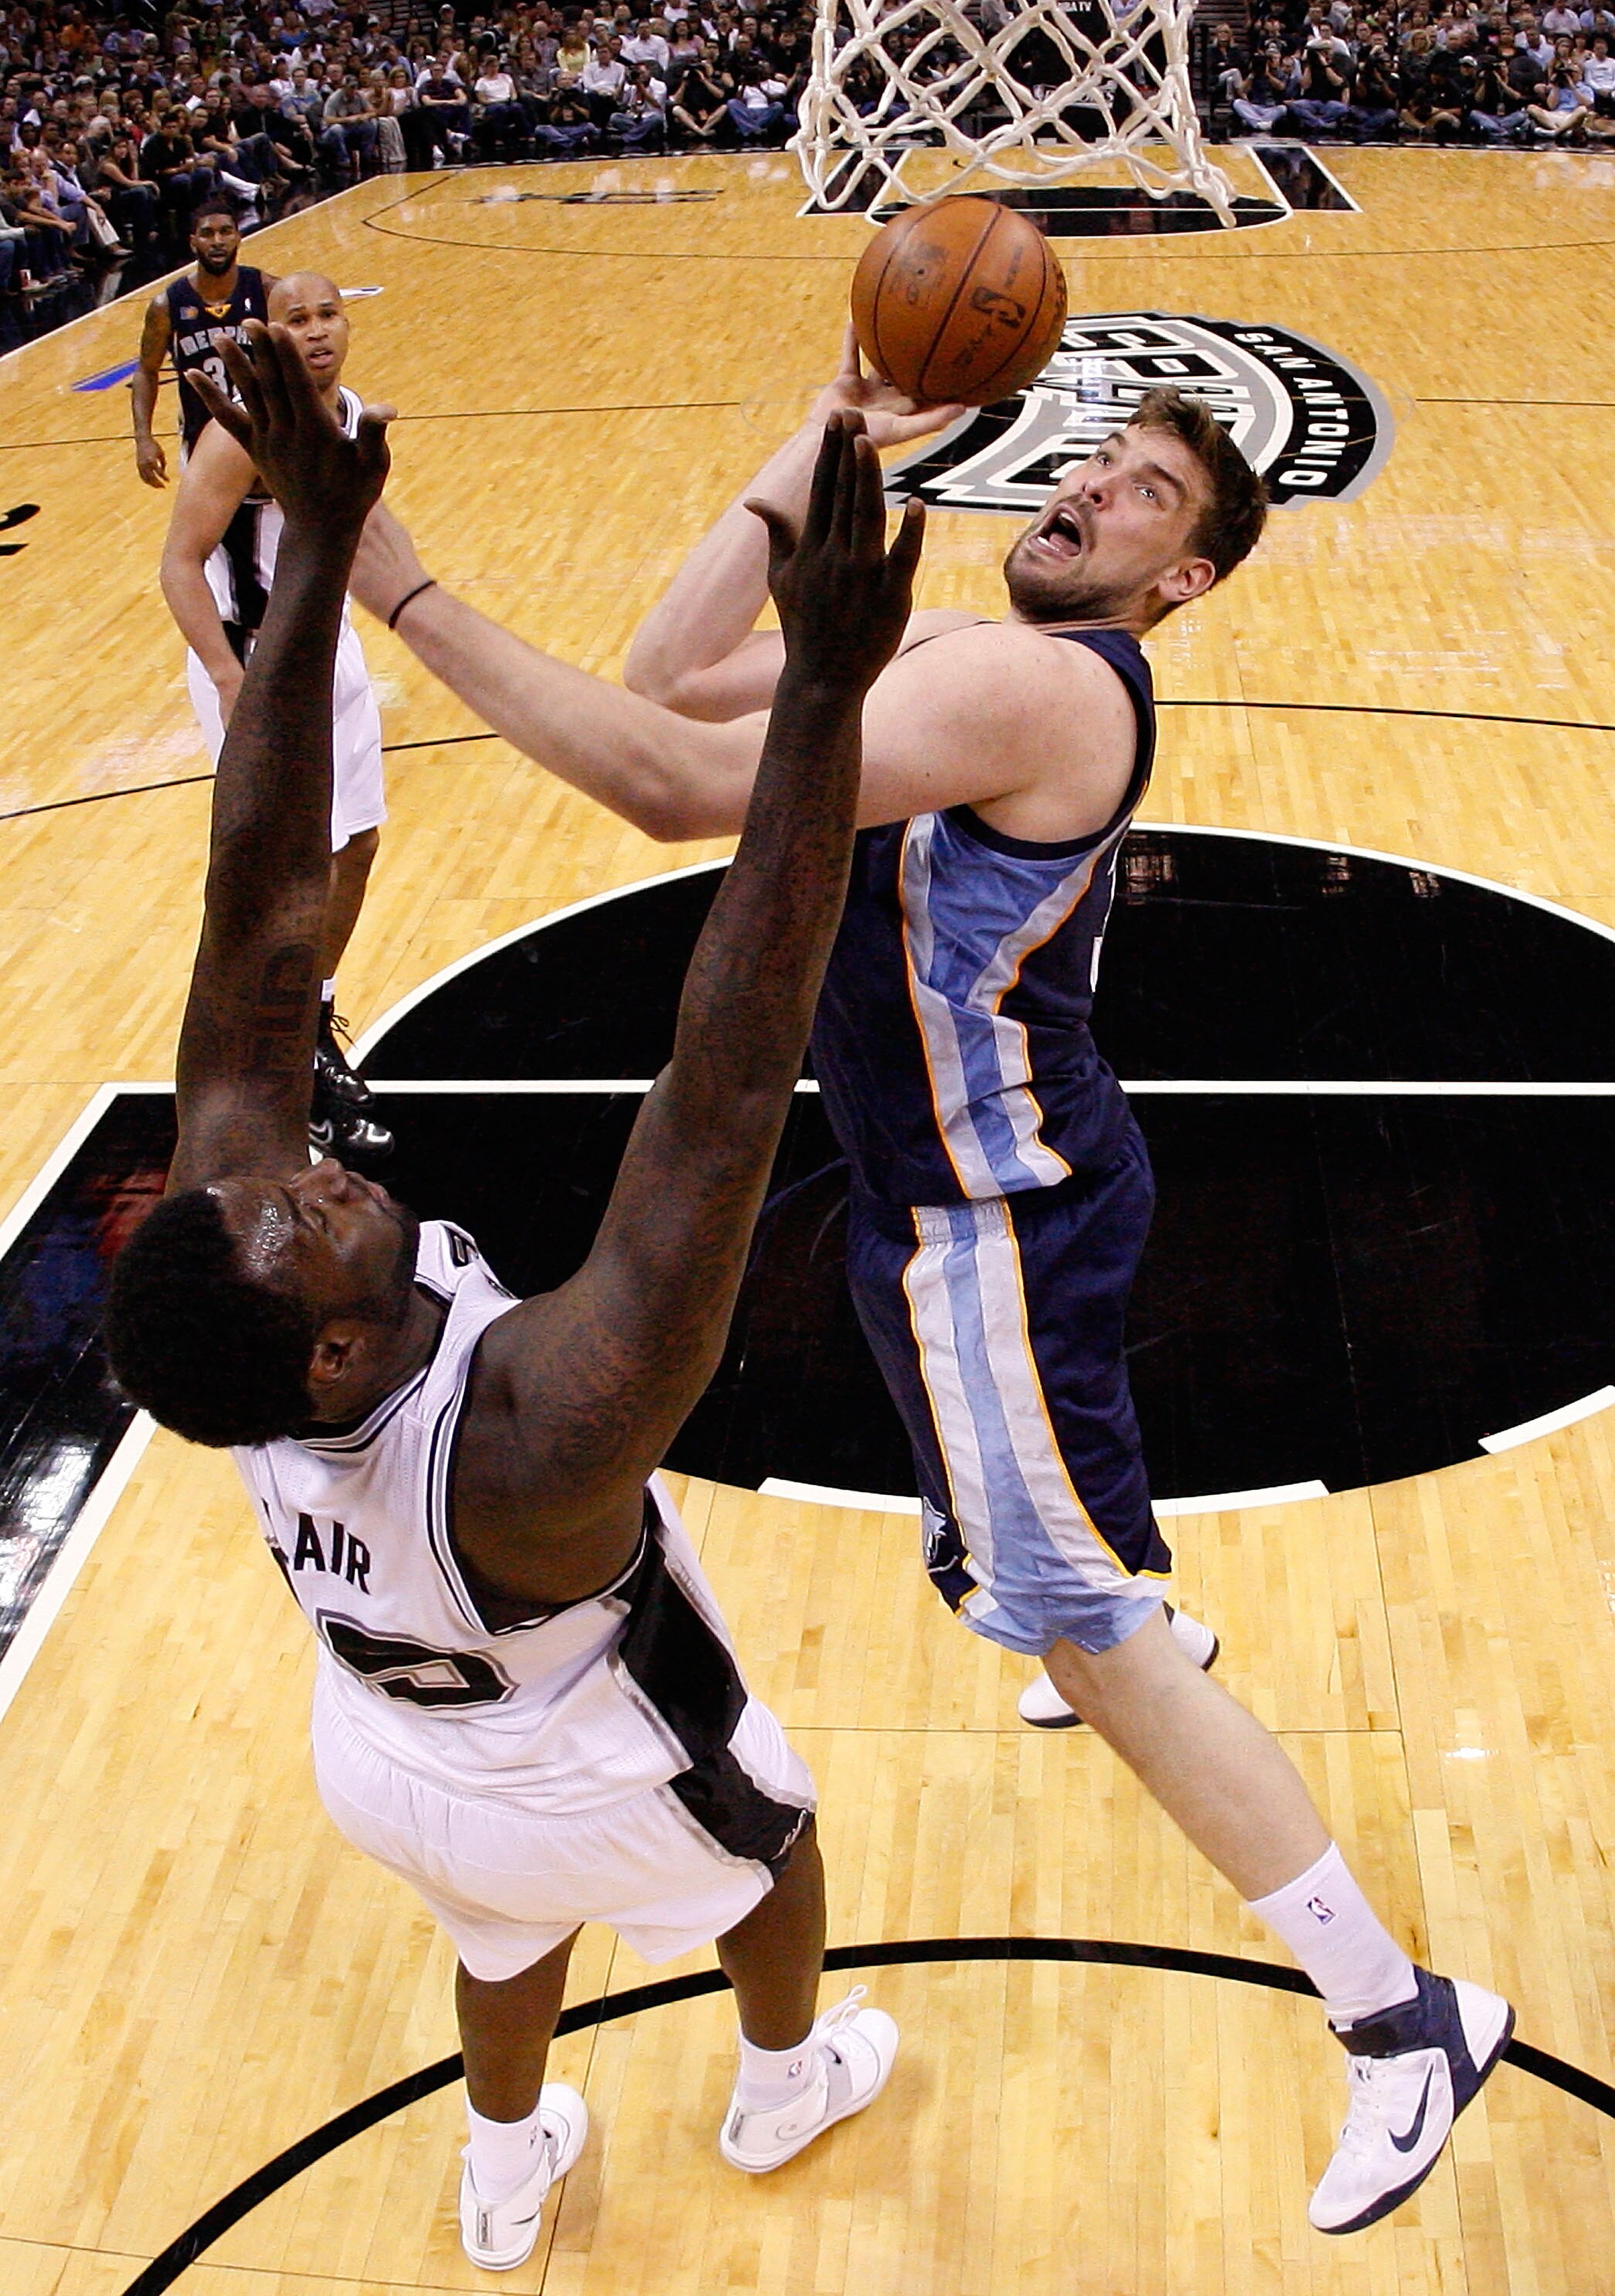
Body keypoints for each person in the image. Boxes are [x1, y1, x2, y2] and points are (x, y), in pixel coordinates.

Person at [348, 331, 1518, 2237]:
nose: (1080, 488)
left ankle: (1398, 2016)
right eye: (1089, 458)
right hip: (946, 1202)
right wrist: (806, 449)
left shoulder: (1032, 685)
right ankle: (1083, 1603)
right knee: (1021, 1547)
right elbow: (674, 676)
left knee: (1073, 1612)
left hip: (996, 1227)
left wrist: (391, 579)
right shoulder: (944, 662)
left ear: (1180, 582)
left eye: (1139, 492)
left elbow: (657, 781)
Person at [103, 326, 918, 2274]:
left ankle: (500, 2151)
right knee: (770, 1849)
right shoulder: (540, 1430)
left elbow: (261, 899)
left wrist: (316, 546)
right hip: (579, 1737)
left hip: (385, 1743)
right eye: (306, 1210)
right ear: (329, 1345)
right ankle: (783, 2071)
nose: (310, 1168)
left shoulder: (245, 1323)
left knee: (493, 1925)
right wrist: (818, 702)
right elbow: (721, 1090)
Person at [158, 272, 392, 1163]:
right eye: (297, 319)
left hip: (326, 646)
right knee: (278, 875)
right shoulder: (236, 436)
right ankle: (265, 1071)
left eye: (328, 313)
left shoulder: (348, 411)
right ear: (274, 336)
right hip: (251, 662)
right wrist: (225, 680)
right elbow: (179, 563)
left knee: (357, 843)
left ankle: (309, 1027)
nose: (319, 330)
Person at [131, 194, 278, 487]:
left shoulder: (267, 290)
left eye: (225, 231)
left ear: (238, 237)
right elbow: (147, 371)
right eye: (207, 234)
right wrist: (143, 439)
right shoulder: (167, 305)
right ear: (193, 242)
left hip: (266, 434)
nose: (217, 241)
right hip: (201, 438)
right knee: (208, 533)